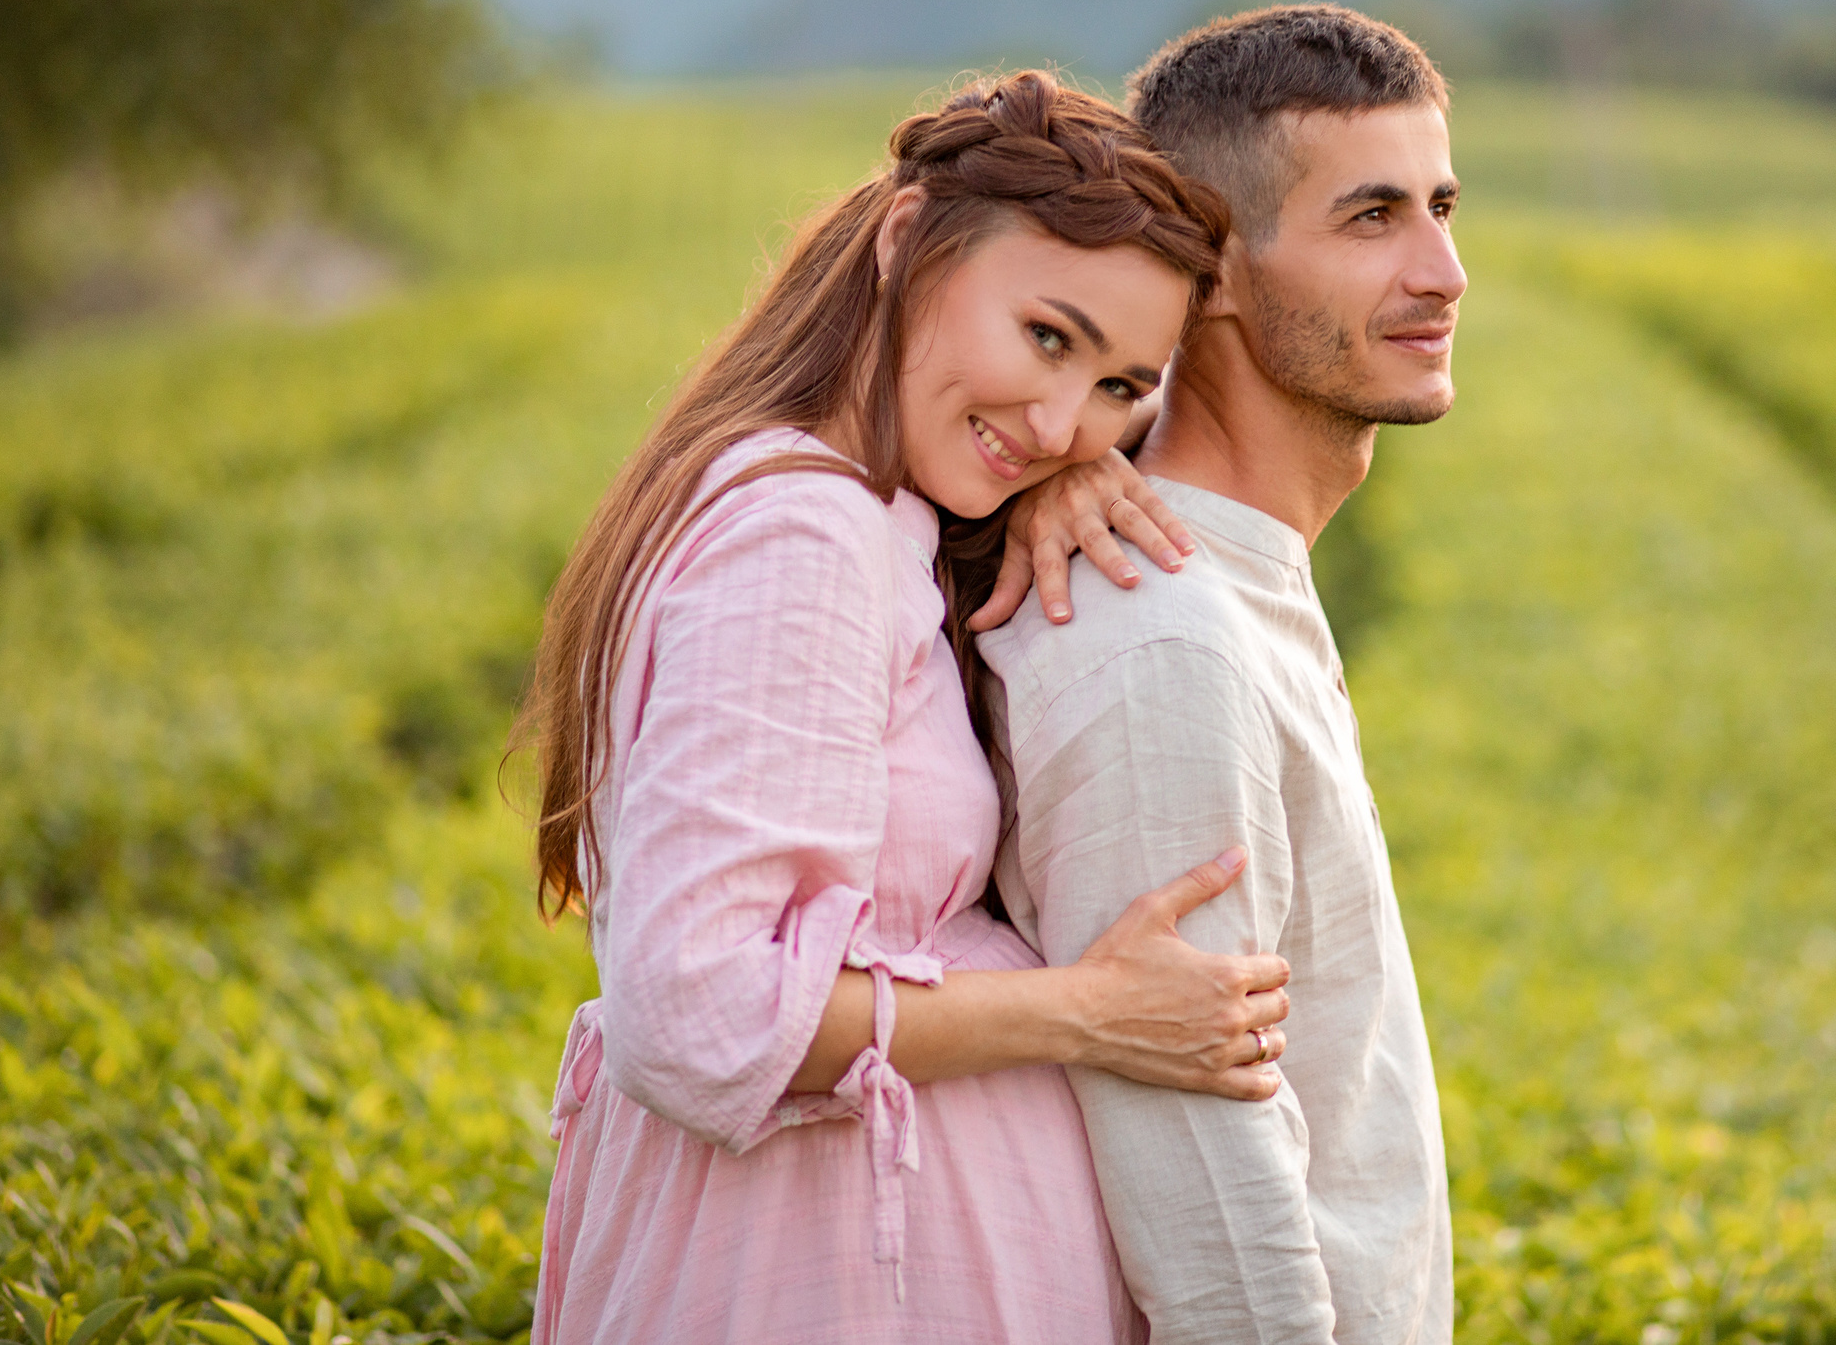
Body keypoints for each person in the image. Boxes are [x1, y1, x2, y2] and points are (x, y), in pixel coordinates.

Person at [519, 71, 1297, 1343]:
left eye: (1121, 388)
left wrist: (1054, 479)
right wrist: (1091, 1012)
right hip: (818, 1273)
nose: (1060, 423)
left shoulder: (871, 512)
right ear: (903, 245)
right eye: (1047, 336)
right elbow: (696, 1008)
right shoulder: (803, 531)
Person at [976, 6, 1465, 1345]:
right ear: (1214, 268)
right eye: (1371, 217)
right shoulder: (1163, 637)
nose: (1444, 269)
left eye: (1441, 203)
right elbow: (1198, 1161)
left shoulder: (1229, 587)